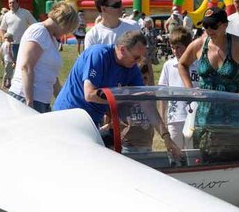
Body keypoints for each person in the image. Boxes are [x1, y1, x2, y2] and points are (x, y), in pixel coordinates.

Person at [53, 31, 181, 159]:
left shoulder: (132, 69)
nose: (139, 62)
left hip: (91, 122)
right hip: (67, 117)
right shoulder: (98, 55)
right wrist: (125, 98)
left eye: (141, 58)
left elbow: (145, 102)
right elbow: (90, 94)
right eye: (136, 57)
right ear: (123, 50)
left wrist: (166, 137)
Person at [178, 7, 239, 147]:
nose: (209, 30)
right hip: (205, 115)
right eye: (206, 25)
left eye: (213, 26)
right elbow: (182, 65)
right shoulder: (199, 45)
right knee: (205, 157)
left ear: (225, 25)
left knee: (235, 158)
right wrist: (190, 89)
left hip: (234, 114)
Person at [8, 1, 79, 113]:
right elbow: (26, 67)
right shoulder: (39, 31)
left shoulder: (52, 40)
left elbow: (52, 77)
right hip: (26, 98)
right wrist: (29, 102)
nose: (67, 33)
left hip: (42, 101)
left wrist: (63, 101)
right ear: (65, 23)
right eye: (68, 29)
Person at [158, 27, 200, 149]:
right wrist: (162, 117)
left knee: (192, 151)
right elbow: (163, 93)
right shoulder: (168, 65)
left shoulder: (198, 65)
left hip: (194, 117)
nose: (175, 51)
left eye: (178, 47)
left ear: (188, 46)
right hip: (175, 117)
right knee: (175, 150)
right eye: (172, 47)